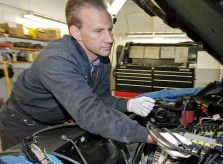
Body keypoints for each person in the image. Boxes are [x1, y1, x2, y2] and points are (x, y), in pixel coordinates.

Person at [0, 0, 156, 150]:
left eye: (110, 29)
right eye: (98, 31)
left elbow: (100, 98)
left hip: (54, 122)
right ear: (76, 32)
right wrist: (150, 136)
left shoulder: (102, 60)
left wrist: (128, 104)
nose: (109, 39)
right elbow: (90, 112)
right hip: (23, 123)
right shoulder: (57, 59)